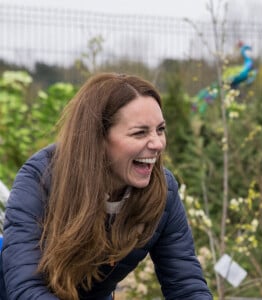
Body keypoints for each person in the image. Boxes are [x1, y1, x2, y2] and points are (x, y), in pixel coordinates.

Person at [0, 73, 213, 300]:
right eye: (140, 132)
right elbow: (26, 288)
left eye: (160, 129)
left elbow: (186, 285)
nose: (158, 143)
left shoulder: (163, 192)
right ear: (98, 138)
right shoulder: (41, 180)